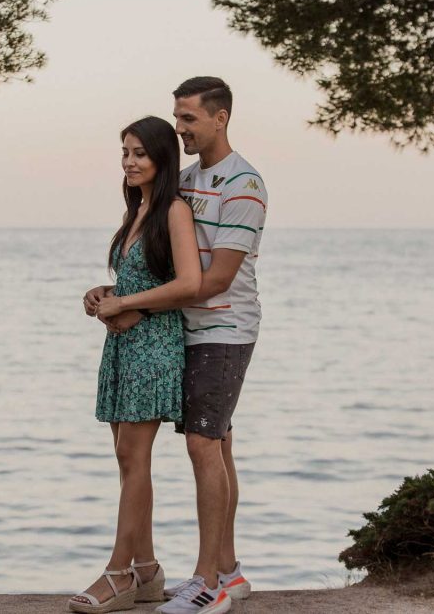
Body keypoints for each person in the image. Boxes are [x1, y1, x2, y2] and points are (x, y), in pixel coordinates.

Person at [101, 77, 267, 614]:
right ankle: (230, 572)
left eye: (189, 119)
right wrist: (118, 292)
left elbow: (213, 280)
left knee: (202, 445)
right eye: (177, 118)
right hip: (180, 332)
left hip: (224, 329)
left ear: (220, 118)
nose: (180, 128)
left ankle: (207, 582)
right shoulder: (187, 181)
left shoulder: (243, 183)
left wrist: (136, 308)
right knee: (216, 446)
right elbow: (164, 262)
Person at [71, 116, 202, 614]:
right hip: (124, 347)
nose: (129, 161)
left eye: (139, 154)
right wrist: (105, 294)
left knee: (134, 458)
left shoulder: (173, 210)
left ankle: (116, 572)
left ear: (162, 158)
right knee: (126, 461)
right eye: (124, 152)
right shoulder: (138, 211)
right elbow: (143, 278)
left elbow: (189, 283)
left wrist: (132, 306)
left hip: (155, 345)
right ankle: (145, 570)